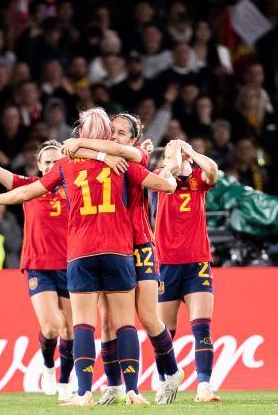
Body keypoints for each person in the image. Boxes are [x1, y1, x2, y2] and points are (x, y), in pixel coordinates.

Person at [0, 108, 176, 406]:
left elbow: (29, 191)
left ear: (82, 133)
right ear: (106, 135)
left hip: (81, 252)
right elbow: (163, 186)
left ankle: (83, 393)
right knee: (124, 323)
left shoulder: (65, 166)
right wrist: (168, 175)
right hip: (118, 250)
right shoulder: (124, 164)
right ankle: (132, 390)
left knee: (84, 324)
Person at [62, 113, 182, 404]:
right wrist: (94, 152)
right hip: (112, 246)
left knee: (148, 317)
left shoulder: (132, 159)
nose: (114, 136)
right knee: (107, 321)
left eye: (121, 133)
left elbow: (164, 184)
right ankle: (115, 385)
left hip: (139, 244)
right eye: (111, 131)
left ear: (134, 140)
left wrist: (80, 143)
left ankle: (171, 372)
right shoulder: (105, 160)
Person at [0, 135, 74, 399]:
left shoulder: (76, 189)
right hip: (39, 265)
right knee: (52, 327)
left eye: (56, 162)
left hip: (71, 266)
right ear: (39, 165)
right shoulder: (30, 187)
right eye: (47, 162)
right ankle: (48, 366)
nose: (51, 166)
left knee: (70, 330)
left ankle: (65, 382)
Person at [152, 139, 221, 402]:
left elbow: (212, 170)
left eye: (181, 152)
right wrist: (172, 159)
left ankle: (204, 385)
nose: (176, 153)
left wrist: (190, 151)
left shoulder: (198, 180)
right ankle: (165, 380)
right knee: (164, 332)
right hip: (166, 263)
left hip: (197, 261)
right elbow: (164, 176)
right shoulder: (160, 177)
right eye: (170, 152)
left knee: (202, 327)